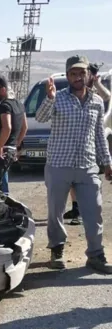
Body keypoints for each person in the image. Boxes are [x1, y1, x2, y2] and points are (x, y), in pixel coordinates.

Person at [35, 55, 112, 272]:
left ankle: (96, 255)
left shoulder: (97, 102)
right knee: (55, 212)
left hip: (87, 166)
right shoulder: (57, 97)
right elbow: (40, 117)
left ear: (88, 74)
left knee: (94, 211)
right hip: (59, 165)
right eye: (73, 73)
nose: (78, 77)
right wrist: (49, 98)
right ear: (68, 76)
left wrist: (108, 162)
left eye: (81, 73)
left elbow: (99, 134)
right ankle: (57, 250)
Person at [62, 62, 112, 225]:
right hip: (75, 140)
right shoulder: (75, 90)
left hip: (94, 141)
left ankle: (88, 210)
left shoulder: (94, 91)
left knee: (91, 179)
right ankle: (77, 208)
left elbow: (107, 97)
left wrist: (96, 82)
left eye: (86, 73)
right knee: (73, 180)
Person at [0, 75, 27, 191]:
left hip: (1, 151)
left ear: (3, 90)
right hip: (11, 150)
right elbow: (24, 128)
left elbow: (7, 127)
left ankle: (0, 208)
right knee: (0, 185)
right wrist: (15, 145)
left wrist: (0, 146)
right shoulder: (19, 104)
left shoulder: (4, 105)